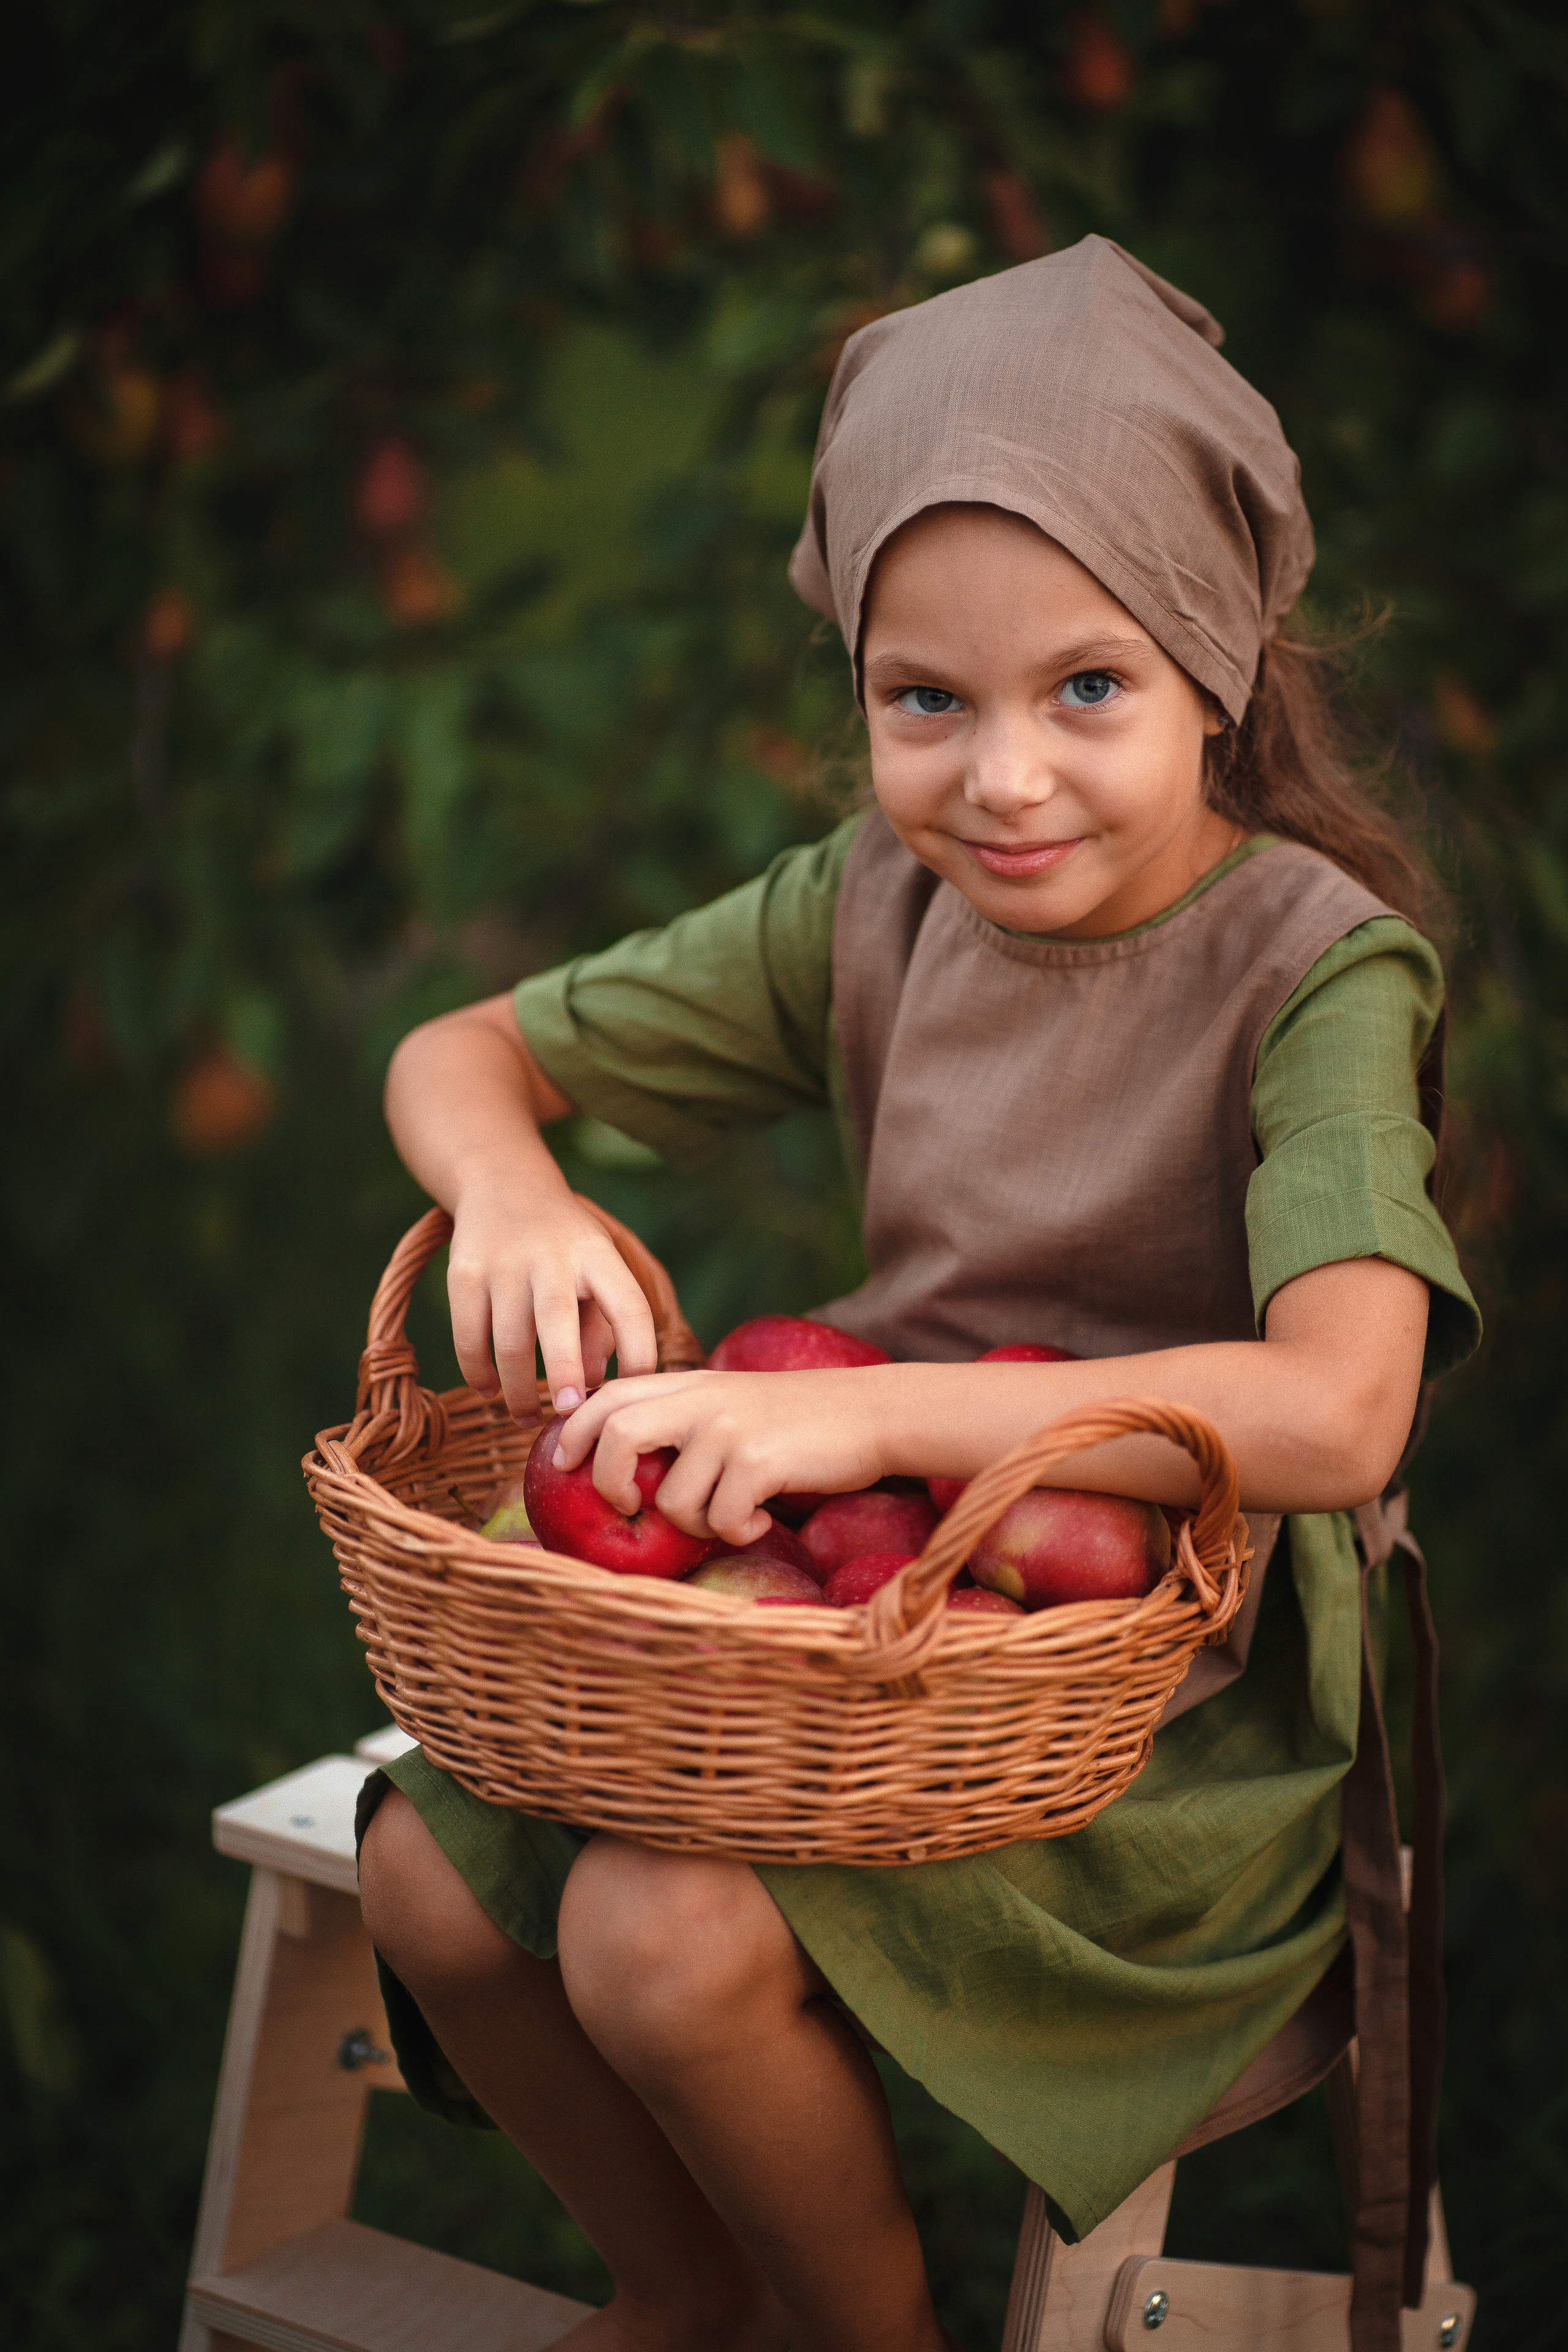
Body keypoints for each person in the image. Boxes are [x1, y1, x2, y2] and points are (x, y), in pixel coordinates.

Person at [356, 237, 1478, 2352]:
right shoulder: (882, 900)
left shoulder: (1312, 970)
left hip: (1149, 1686)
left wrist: (865, 1413)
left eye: (1088, 688)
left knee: (660, 1943)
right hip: (859, 1597)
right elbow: (460, 1052)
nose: (1005, 779)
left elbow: (1342, 1413)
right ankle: (690, 2292)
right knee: (420, 1874)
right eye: (925, 701)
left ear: (1218, 660)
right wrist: (509, 1190)